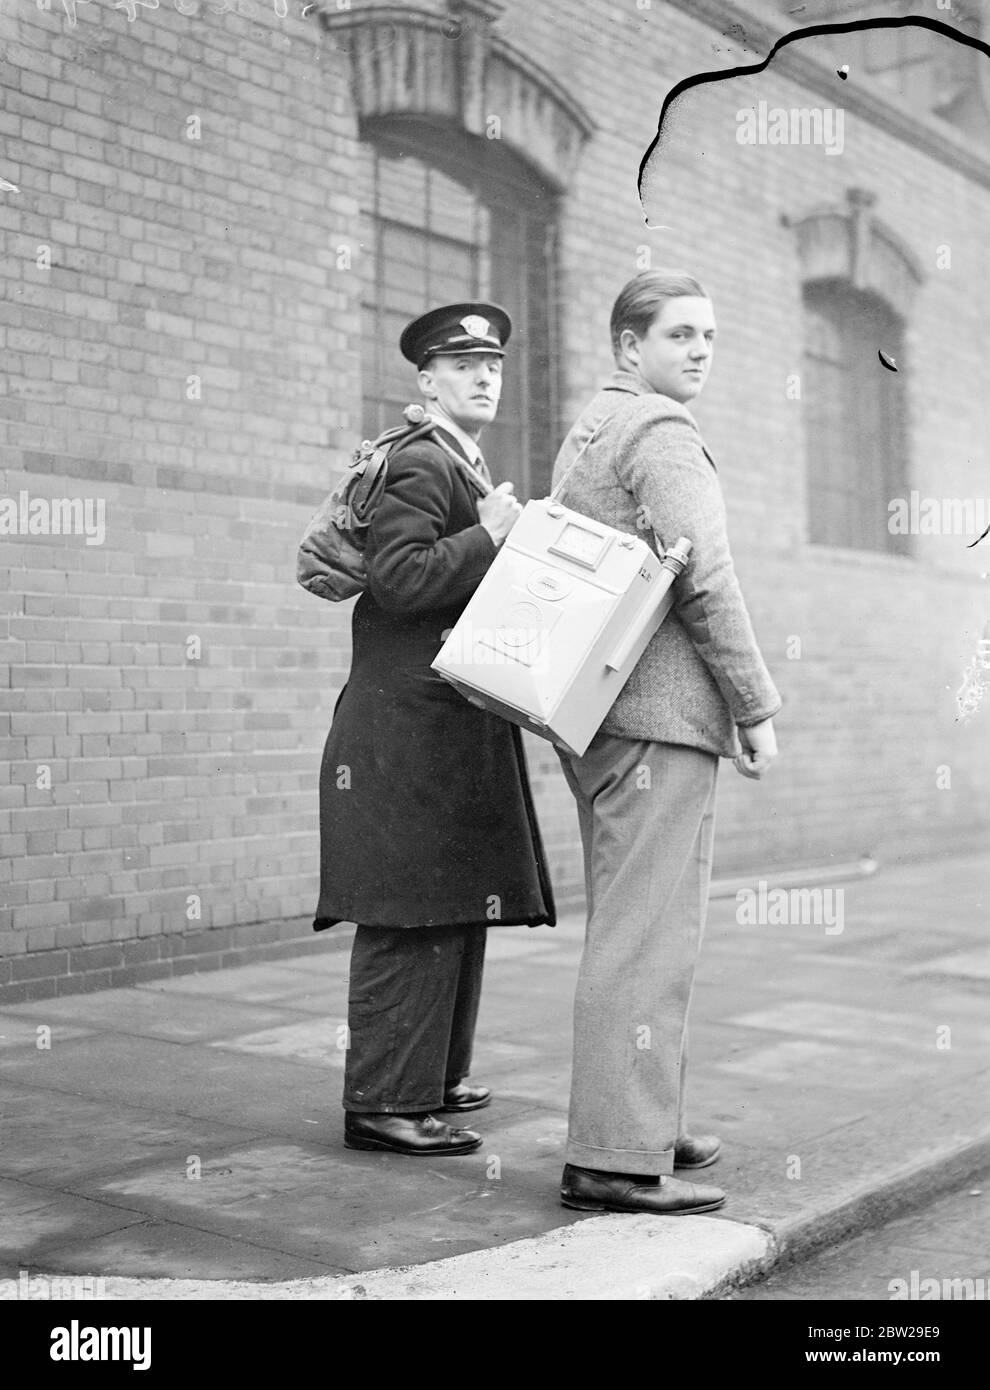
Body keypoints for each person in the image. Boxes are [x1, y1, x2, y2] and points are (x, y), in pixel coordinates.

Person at [550, 270, 781, 1214]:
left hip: (602, 716)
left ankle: (646, 1120)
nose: (700, 352)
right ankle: (611, 1157)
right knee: (647, 938)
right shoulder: (661, 431)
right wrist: (755, 705)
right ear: (628, 347)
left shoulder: (595, 427)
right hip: (658, 720)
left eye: (711, 336)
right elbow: (708, 579)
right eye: (680, 334)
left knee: (637, 925)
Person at [313, 302, 556, 1157]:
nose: (484, 375)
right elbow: (403, 578)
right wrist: (492, 534)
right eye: (462, 365)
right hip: (405, 732)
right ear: (427, 381)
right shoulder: (423, 463)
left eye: (492, 364)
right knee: (406, 910)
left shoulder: (462, 461)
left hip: (438, 725)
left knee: (454, 902)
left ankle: (434, 1079)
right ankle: (382, 1102)